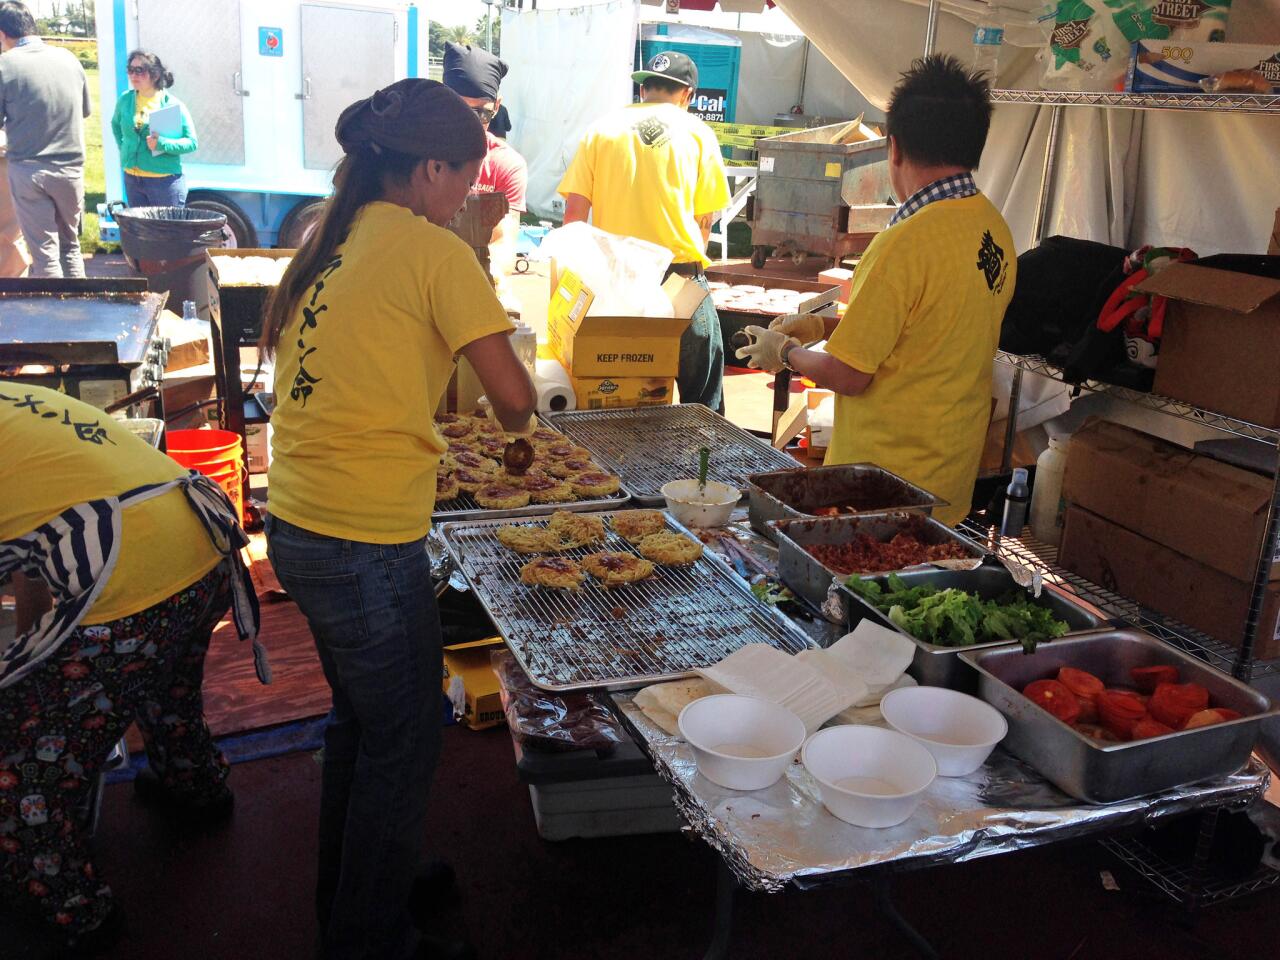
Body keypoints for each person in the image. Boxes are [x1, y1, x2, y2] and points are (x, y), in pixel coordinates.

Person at [259, 78, 536, 960]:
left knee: (363, 722)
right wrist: (473, 255)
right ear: (427, 170)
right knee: (407, 735)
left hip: (297, 523)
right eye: (464, 175)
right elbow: (515, 398)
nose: (469, 192)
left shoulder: (329, 238)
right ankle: (369, 938)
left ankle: (358, 887)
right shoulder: (432, 249)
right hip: (361, 539)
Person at [0, 384, 263, 956]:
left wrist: (31, 695)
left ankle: (71, 908)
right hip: (202, 540)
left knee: (20, 771)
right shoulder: (15, 397)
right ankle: (196, 786)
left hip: (131, 579)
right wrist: (35, 653)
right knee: (166, 685)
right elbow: (31, 550)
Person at [736, 55, 1016, 528]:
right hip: (947, 478)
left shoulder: (904, 242)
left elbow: (849, 375)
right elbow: (923, 331)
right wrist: (822, 325)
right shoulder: (992, 226)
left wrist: (784, 351)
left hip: (883, 489)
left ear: (895, 148)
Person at [559, 51, 731, 412]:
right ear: (688, 94)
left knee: (613, 393)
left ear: (643, 90)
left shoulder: (600, 130)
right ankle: (706, 461)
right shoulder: (699, 133)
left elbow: (574, 220)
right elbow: (704, 220)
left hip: (613, 284)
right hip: (678, 280)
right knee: (704, 397)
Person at [0, 1, 91, 279]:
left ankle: (57, 321)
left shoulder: (5, 65)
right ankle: (82, 316)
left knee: (45, 255)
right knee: (71, 248)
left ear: (2, 33)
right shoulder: (69, 59)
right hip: (71, 170)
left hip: (30, 171)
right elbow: (85, 110)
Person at [110, 50, 198, 208]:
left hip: (164, 182)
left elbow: (191, 142)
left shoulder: (172, 105)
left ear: (155, 75)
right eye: (130, 70)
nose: (133, 75)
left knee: (167, 232)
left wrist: (162, 144)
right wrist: (124, 148)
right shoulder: (125, 100)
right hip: (132, 179)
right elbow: (115, 125)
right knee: (142, 232)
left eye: (139, 70)